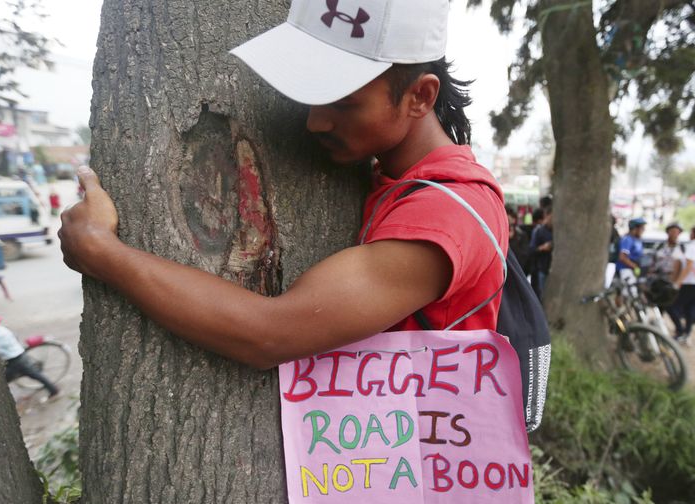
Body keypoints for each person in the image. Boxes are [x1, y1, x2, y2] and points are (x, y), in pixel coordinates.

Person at [58, 1, 509, 382]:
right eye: (311, 94)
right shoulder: (397, 182)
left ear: (420, 97)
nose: (316, 122)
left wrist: (101, 252)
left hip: (417, 479)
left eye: (343, 101)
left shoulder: (449, 213)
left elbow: (271, 335)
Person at [668, 224, 695, 344]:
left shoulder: (691, 247)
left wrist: (677, 282)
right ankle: (687, 333)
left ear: (693, 233)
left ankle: (680, 331)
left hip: (689, 283)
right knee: (690, 309)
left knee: (672, 306)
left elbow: (688, 266)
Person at [0, 318, 60, 398]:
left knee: (3, 380)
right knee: (34, 374)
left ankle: (54, 390)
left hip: (15, 360)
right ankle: (53, 389)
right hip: (18, 353)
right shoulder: (2, 328)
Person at [529, 207, 553, 299]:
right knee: (543, 297)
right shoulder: (539, 231)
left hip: (556, 270)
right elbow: (531, 249)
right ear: (546, 216)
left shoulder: (558, 231)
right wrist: (542, 248)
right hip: (543, 269)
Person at [616, 217, 647, 284]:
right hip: (625, 270)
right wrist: (635, 267)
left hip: (634, 270)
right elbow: (622, 257)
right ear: (635, 228)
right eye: (642, 228)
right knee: (630, 292)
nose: (643, 230)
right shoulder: (627, 239)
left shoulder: (638, 240)